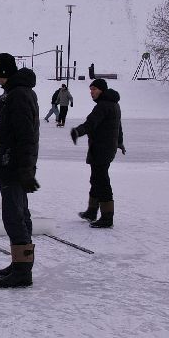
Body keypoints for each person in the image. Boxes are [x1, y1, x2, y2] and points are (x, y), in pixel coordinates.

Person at [0, 52, 39, 288]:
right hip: (10, 162)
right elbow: (9, 136)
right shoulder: (18, 93)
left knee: (14, 216)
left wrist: (24, 170)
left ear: (3, 73)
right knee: (18, 213)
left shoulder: (18, 96)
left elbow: (25, 137)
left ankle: (23, 271)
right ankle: (20, 262)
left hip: (14, 165)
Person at [70, 78, 124, 228]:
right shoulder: (113, 104)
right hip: (106, 148)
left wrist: (77, 131)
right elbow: (118, 126)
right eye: (90, 89)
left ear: (102, 90)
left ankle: (107, 217)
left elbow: (91, 123)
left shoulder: (103, 106)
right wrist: (119, 142)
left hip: (102, 149)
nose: (91, 92)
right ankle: (92, 211)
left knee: (102, 181)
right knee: (96, 179)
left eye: (94, 89)